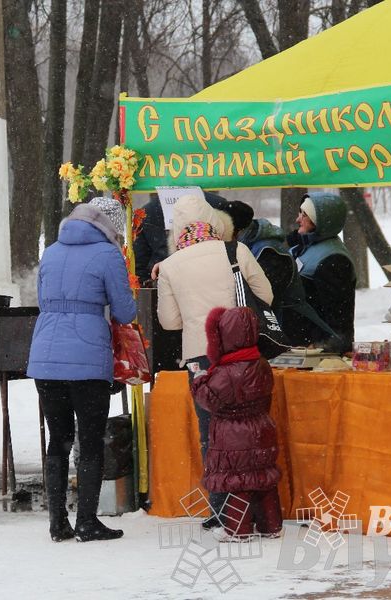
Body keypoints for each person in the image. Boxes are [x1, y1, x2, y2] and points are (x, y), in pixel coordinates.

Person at [156, 196, 272, 527]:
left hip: (201, 358)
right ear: (212, 219)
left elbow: (169, 322)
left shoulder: (170, 266)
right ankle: (256, 506)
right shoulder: (236, 251)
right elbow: (265, 296)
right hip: (243, 354)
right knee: (250, 428)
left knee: (212, 434)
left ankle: (220, 510)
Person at [28, 196, 137, 543]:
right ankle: (87, 521)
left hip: (45, 357)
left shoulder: (51, 252)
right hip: (87, 360)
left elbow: (43, 300)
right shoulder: (108, 254)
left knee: (58, 439)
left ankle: (57, 522)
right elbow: (125, 311)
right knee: (90, 442)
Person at [190, 306, 282, 539]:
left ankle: (237, 530)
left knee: (238, 482)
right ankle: (270, 525)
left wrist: (199, 380)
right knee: (263, 479)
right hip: (262, 428)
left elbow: (209, 400)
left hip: (234, 434)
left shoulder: (226, 372)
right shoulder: (261, 363)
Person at [239, 218, 344, 351]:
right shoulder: (260, 248)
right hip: (292, 327)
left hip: (293, 329)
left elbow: (337, 309)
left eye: (304, 214)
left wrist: (337, 341)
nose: (298, 219)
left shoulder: (269, 251)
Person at [290, 193, 357, 352]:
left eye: (304, 215)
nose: (298, 219)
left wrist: (324, 346)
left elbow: (339, 316)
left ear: (320, 221)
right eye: (300, 213)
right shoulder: (305, 248)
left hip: (316, 351)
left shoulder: (334, 259)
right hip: (302, 345)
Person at [134, 191, 233, 283]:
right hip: (219, 278)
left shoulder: (146, 212)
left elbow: (139, 265)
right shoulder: (218, 203)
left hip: (169, 279)